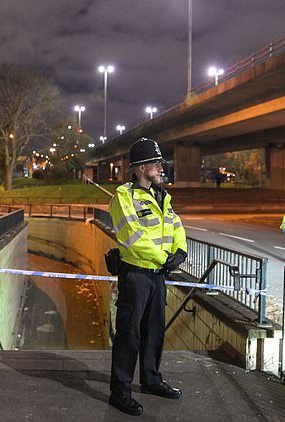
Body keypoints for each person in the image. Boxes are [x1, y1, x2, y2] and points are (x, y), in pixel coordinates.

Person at [108, 137, 188, 416]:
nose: (160, 168)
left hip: (157, 275)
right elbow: (132, 235)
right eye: (156, 163)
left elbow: (176, 225)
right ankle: (120, 392)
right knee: (129, 334)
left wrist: (181, 251)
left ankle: (151, 380)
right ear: (141, 167)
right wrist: (163, 259)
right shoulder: (124, 196)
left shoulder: (163, 196)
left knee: (154, 330)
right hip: (136, 275)